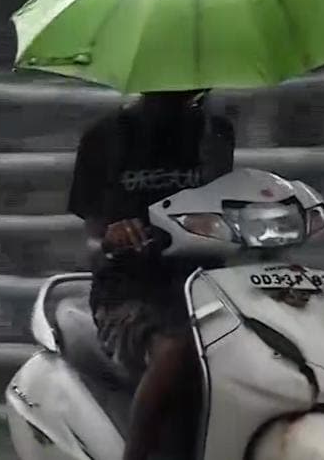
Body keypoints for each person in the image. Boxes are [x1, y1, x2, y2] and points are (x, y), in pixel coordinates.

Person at [67, 89, 235, 460]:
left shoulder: (215, 133)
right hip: (130, 294)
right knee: (177, 351)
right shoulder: (105, 136)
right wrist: (113, 232)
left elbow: (229, 206)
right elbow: (94, 229)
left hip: (209, 291)